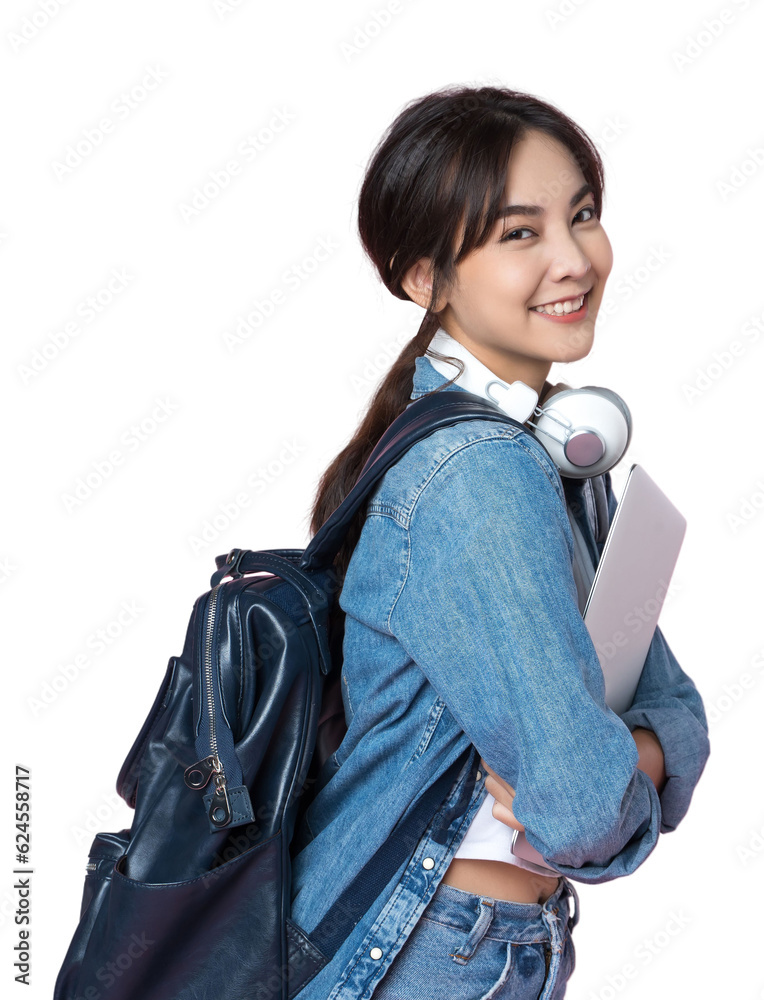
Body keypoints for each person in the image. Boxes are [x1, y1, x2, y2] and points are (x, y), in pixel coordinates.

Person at [289, 84, 711, 1000]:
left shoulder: (553, 450)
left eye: (584, 216)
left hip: (475, 940)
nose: (575, 258)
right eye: (520, 233)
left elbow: (677, 711)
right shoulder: (480, 472)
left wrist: (633, 750)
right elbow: (584, 806)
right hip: (437, 950)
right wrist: (632, 762)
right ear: (424, 278)